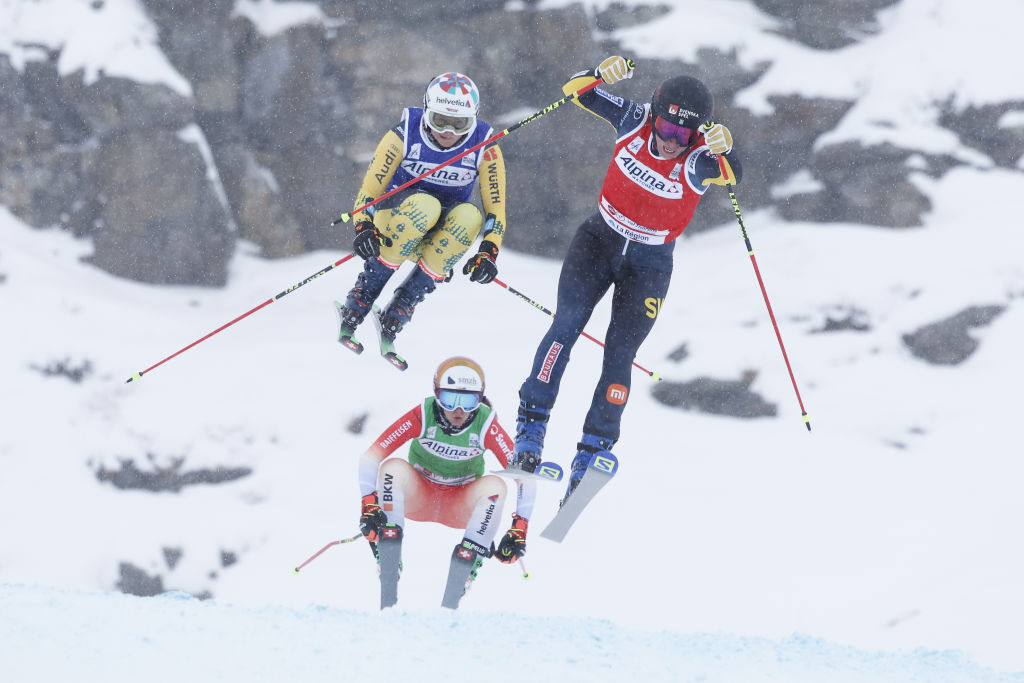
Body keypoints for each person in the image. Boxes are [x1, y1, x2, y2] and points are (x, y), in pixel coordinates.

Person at [510, 56, 743, 503]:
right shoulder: (634, 119)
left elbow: (735, 173)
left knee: (620, 355)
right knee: (566, 325)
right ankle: (531, 427)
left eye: (685, 134)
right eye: (667, 129)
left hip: (649, 265)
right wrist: (599, 72)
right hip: (598, 241)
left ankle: (594, 448)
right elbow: (575, 90)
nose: (673, 140)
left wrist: (725, 147)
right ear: (654, 114)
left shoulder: (699, 159)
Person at [335, 72, 508, 366]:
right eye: (440, 119)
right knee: (425, 205)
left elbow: (496, 212)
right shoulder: (403, 135)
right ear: (427, 110)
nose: (449, 131)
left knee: (470, 216)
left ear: (474, 119)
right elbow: (369, 192)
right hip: (393, 224)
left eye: (460, 123)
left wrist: (488, 253)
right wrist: (363, 226)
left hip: (435, 236)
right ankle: (362, 297)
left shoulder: (485, 146)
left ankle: (400, 308)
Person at [356, 356, 536, 608]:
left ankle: (464, 571)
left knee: (496, 486)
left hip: (460, 504)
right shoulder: (423, 413)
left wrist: (520, 528)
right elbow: (369, 458)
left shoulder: (485, 423)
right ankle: (388, 553)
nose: (459, 411)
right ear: (437, 395)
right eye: (450, 400)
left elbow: (524, 479)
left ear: (480, 398)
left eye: (469, 401)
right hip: (418, 496)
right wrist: (368, 504)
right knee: (391, 468)